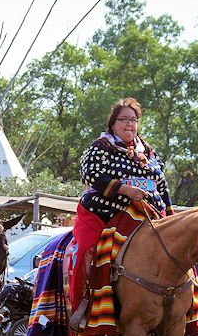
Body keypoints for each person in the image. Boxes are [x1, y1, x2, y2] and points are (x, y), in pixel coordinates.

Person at [71, 97, 174, 311]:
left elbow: (162, 185)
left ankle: (182, 310)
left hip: (148, 216)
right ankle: (84, 305)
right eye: (124, 119)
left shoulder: (148, 152)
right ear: (113, 123)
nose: (129, 124)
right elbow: (90, 175)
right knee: (87, 252)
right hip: (105, 214)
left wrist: (171, 215)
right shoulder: (102, 146)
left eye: (133, 119)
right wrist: (124, 189)